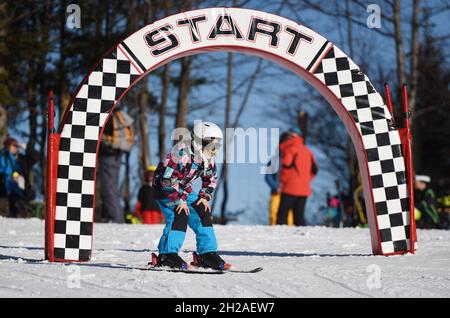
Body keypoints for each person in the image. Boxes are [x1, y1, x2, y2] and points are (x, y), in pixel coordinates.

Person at [152, 121, 229, 270]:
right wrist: (179, 200)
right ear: (198, 141)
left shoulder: (207, 158)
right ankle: (167, 255)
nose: (213, 149)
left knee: (202, 210)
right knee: (179, 213)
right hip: (165, 189)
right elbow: (167, 180)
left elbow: (210, 179)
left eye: (216, 145)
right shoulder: (180, 153)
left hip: (184, 190)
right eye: (210, 144)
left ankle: (207, 254)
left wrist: (204, 196)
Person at [98, 108, 134, 223]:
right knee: (111, 186)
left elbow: (104, 134)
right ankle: (111, 216)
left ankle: (115, 218)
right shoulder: (120, 117)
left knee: (108, 188)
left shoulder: (109, 117)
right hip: (117, 153)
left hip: (109, 153)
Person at [277, 128, 318, 226]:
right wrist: (306, 180)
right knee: (299, 217)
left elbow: (286, 167)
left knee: (282, 215)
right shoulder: (308, 152)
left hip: (289, 188)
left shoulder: (290, 150)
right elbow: (315, 170)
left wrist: (282, 182)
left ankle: (281, 238)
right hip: (304, 190)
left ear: (292, 136)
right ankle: (301, 239)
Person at [265, 132, 294, 226]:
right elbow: (268, 177)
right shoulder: (274, 159)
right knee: (274, 217)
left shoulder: (295, 159)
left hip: (290, 194)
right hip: (276, 194)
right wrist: (276, 187)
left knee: (290, 219)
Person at [0, 138, 32, 217]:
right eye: (13, 146)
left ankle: (18, 211)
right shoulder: (3, 157)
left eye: (16, 146)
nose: (16, 148)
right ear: (8, 147)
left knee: (15, 197)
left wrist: (26, 147)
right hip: (4, 185)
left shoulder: (20, 158)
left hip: (17, 187)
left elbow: (36, 156)